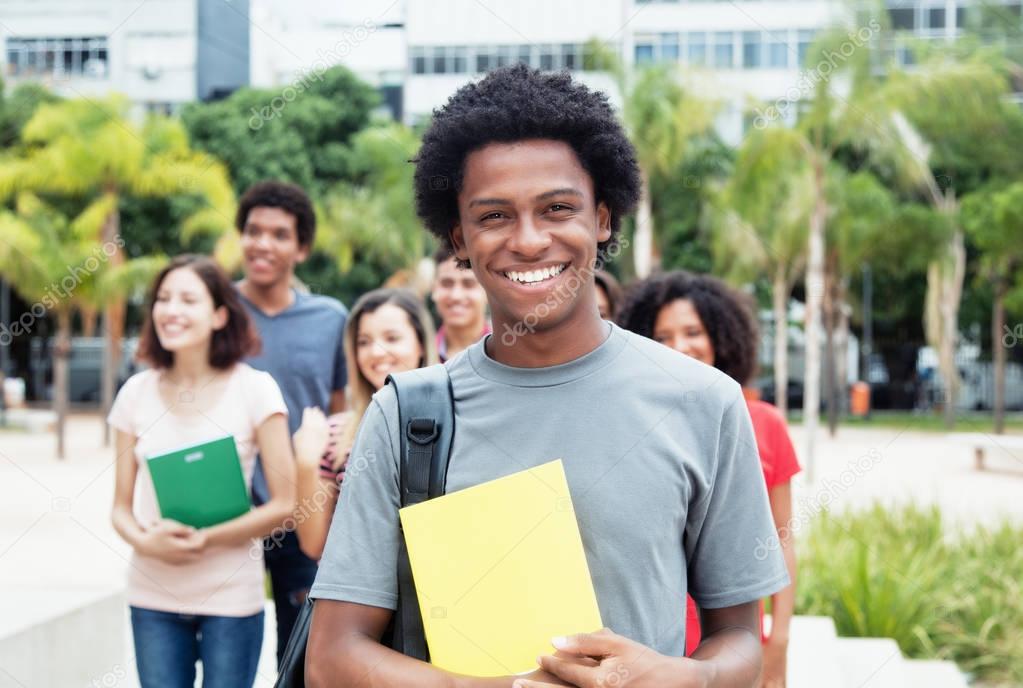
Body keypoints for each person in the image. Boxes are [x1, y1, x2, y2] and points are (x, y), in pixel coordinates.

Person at [305, 64, 788, 688]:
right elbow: (333, 656)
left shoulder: (704, 402)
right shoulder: (408, 415)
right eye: (494, 216)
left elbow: (740, 639)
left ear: (603, 219)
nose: (530, 241)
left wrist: (679, 678)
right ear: (460, 237)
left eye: (558, 208)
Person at [108, 254, 296, 688]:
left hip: (231, 598)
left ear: (218, 315)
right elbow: (118, 509)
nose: (171, 310)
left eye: (188, 300)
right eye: (163, 299)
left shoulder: (255, 389)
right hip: (152, 594)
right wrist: (146, 541)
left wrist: (204, 539)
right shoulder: (134, 394)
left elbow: (287, 505)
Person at [618, 270, 801, 688]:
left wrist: (781, 639)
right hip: (651, 643)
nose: (678, 347)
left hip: (733, 642)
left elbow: (782, 537)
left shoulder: (765, 423)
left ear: (721, 336)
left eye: (692, 331)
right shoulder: (633, 429)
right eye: (662, 337)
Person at [233, 180, 350, 662]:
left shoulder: (330, 317)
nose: (263, 243)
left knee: (297, 650)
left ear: (301, 248)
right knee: (227, 649)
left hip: (304, 511)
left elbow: (343, 408)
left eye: (279, 234)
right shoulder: (216, 309)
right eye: (254, 231)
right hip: (228, 506)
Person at [292, 288, 439, 560]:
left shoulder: (456, 422)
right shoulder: (334, 435)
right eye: (363, 342)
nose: (376, 352)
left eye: (392, 338)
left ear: (421, 344)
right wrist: (305, 464)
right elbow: (313, 545)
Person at [431, 245, 490, 361]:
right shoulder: (419, 356)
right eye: (446, 283)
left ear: (488, 291)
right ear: (433, 289)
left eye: (468, 284)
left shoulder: (510, 355)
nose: (456, 296)